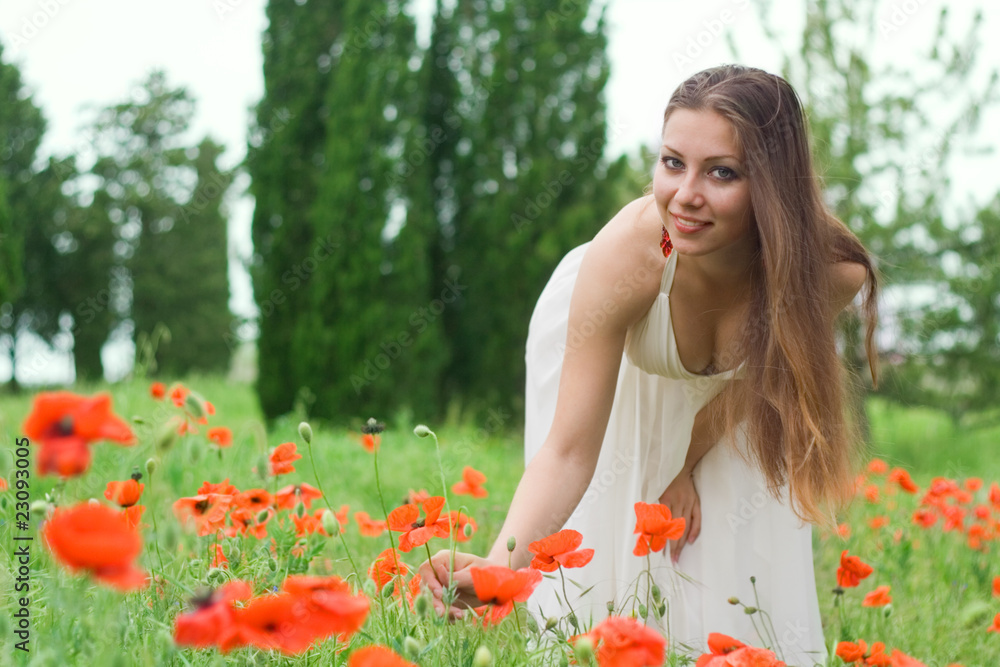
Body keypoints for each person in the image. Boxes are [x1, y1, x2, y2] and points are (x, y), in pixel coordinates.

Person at [419, 64, 879, 666]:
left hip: (727, 401)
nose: (685, 194)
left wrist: (687, 460)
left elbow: (757, 382)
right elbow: (568, 450)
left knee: (725, 561)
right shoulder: (634, 252)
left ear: (771, 184)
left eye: (722, 172)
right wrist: (500, 570)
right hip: (615, 352)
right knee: (607, 549)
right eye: (671, 162)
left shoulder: (827, 273)